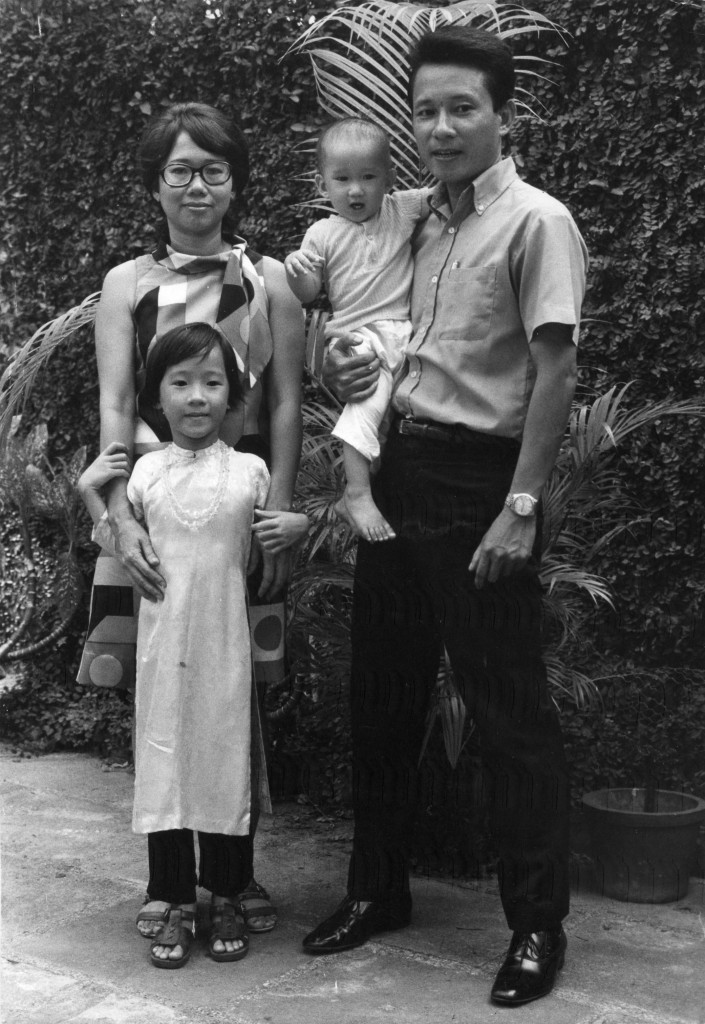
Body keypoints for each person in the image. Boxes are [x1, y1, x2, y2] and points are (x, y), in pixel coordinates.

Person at [302, 25, 588, 1009]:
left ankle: (538, 926)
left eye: (461, 106)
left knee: (509, 713)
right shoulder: (412, 217)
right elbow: (347, 318)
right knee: (379, 698)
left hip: (482, 485)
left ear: (504, 117)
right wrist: (336, 363)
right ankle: (377, 892)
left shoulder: (536, 222)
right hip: (400, 467)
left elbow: (556, 369)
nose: (439, 125)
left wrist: (523, 503)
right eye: (425, 109)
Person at [77, 102, 306, 937]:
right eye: (179, 170)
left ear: (236, 181)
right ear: (155, 186)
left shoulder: (270, 280)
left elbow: (284, 406)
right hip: (152, 505)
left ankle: (232, 876)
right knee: (161, 696)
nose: (196, 185)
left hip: (237, 507)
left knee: (231, 689)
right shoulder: (126, 285)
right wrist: (117, 518)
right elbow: (113, 402)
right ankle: (171, 883)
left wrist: (277, 509)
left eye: (212, 169)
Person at [78, 323, 308, 968]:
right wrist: (89, 489)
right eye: (180, 383)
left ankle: (227, 891)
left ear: (235, 396)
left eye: (212, 382)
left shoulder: (252, 471)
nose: (197, 397)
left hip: (228, 646)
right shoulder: (145, 473)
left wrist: (302, 523)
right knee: (164, 761)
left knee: (223, 759)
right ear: (158, 397)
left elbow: (280, 546)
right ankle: (174, 896)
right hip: (160, 648)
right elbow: (111, 541)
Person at [284, 118, 429, 542]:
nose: (355, 190)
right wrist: (296, 273)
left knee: (392, 413)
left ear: (390, 178)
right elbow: (309, 293)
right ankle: (358, 493)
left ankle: (373, 478)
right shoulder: (321, 233)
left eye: (368, 177)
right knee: (365, 405)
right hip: (358, 335)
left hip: (406, 333)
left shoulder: (402, 208)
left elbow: (446, 194)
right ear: (321, 182)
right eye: (342, 179)